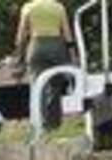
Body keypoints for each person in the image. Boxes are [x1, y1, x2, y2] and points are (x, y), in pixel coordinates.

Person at [14, 0, 73, 128]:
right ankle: (54, 123)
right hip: (56, 46)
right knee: (54, 86)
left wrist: (19, 55)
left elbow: (21, 35)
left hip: (36, 45)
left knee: (38, 85)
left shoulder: (28, 7)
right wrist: (72, 53)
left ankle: (40, 122)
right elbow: (67, 33)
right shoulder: (58, 7)